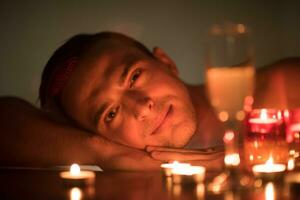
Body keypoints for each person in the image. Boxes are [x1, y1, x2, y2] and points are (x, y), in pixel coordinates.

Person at [0, 32, 299, 171]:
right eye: (111, 114)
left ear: (166, 62)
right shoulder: (121, 159)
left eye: (134, 76)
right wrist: (104, 153)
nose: (141, 107)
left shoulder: (282, 89)